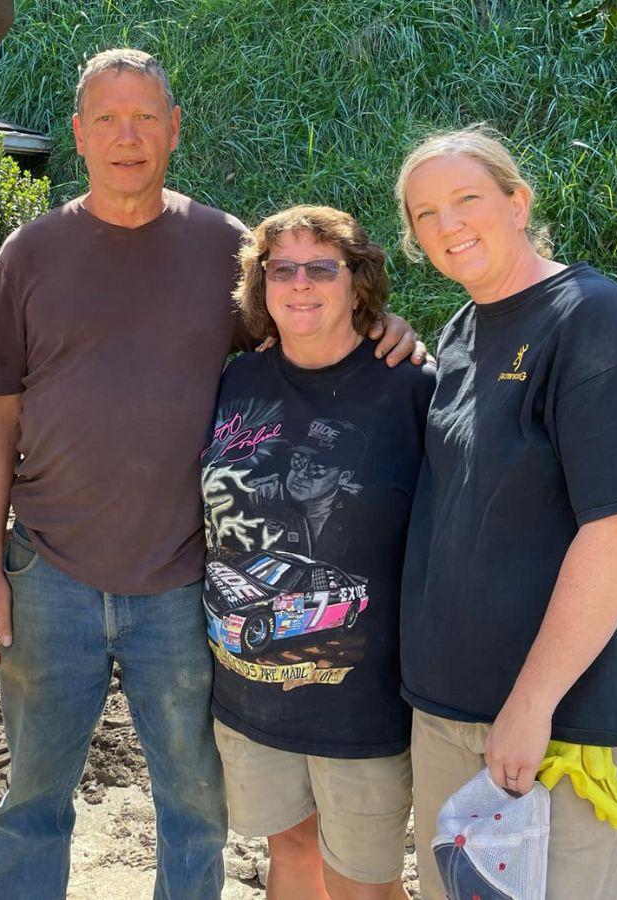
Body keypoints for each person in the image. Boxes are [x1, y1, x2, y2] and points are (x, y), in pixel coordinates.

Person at [0, 49, 426, 900]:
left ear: (175, 130)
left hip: (185, 584)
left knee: (194, 806)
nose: (126, 136)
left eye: (145, 117)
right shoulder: (30, 251)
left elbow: (303, 321)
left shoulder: (223, 248)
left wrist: (380, 321)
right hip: (49, 572)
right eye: (106, 118)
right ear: (78, 134)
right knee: (31, 796)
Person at [395, 126, 617, 900]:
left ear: (517, 202)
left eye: (466, 199)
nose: (448, 225)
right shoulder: (466, 331)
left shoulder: (592, 319)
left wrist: (531, 705)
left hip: (571, 725)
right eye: (425, 213)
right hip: (455, 713)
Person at [201, 206, 432, 900]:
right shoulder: (240, 379)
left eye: (321, 268)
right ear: (260, 286)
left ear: (358, 284)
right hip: (249, 689)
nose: (301, 284)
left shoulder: (410, 388)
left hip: (361, 703)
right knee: (291, 854)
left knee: (364, 883)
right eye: (282, 269)